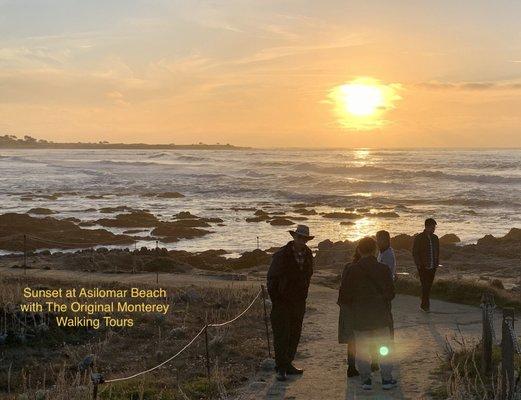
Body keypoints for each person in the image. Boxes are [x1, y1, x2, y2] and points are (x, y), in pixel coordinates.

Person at [340, 237, 396, 391]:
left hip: (360, 317)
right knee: (384, 348)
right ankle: (386, 379)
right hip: (380, 317)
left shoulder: (351, 270)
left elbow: (344, 296)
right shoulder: (384, 269)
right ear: (375, 250)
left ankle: (366, 381)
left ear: (359, 250)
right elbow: (391, 293)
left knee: (362, 349)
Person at [267, 224, 314, 382]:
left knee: (295, 333)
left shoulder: (308, 254)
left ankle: (288, 364)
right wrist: (277, 298)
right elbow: (272, 278)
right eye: (299, 237)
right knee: (282, 334)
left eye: (304, 238)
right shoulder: (282, 255)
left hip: (299, 301)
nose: (302, 240)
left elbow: (308, 276)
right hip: (282, 301)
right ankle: (281, 368)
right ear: (294, 237)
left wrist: (304, 294)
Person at [338, 245, 361, 377]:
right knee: (368, 334)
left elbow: (343, 286)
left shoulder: (348, 267)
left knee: (352, 338)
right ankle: (372, 363)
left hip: (348, 305)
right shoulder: (366, 267)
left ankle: (351, 366)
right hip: (361, 305)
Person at [412, 218, 439, 312]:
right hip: (423, 267)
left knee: (428, 286)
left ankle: (424, 301)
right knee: (425, 286)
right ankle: (425, 306)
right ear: (426, 227)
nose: (434, 229)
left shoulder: (435, 238)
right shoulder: (419, 238)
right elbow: (415, 252)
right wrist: (419, 265)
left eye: (434, 227)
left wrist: (436, 264)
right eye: (432, 227)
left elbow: (437, 251)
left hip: (432, 267)